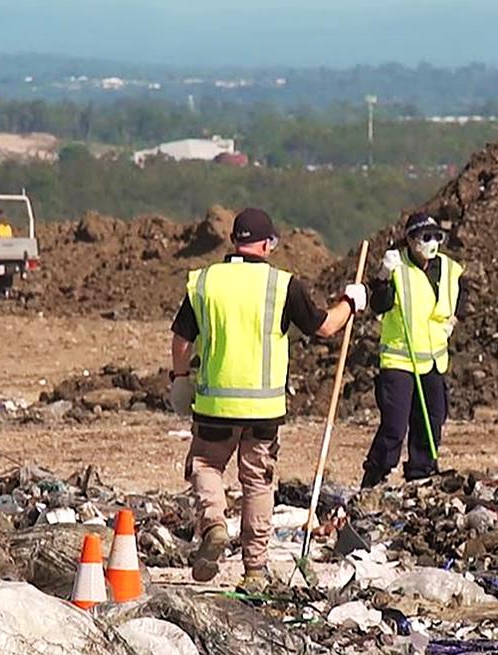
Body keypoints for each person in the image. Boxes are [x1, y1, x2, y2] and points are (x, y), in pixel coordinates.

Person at [168, 208, 366, 591]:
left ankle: (213, 524)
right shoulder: (282, 285)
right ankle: (255, 571)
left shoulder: (205, 282)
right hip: (264, 411)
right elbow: (325, 327)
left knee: (206, 466)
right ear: (266, 244)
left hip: (214, 406)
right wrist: (351, 302)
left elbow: (181, 340)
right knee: (257, 482)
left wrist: (179, 378)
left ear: (234, 242)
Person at [360, 212, 468, 489]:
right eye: (425, 237)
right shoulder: (398, 268)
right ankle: (375, 475)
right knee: (395, 425)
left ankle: (421, 473)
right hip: (400, 358)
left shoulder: (449, 269)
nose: (432, 243)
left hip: (433, 359)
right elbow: (380, 305)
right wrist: (382, 277)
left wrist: (452, 322)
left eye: (436, 237)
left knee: (432, 419)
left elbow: (459, 298)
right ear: (410, 240)